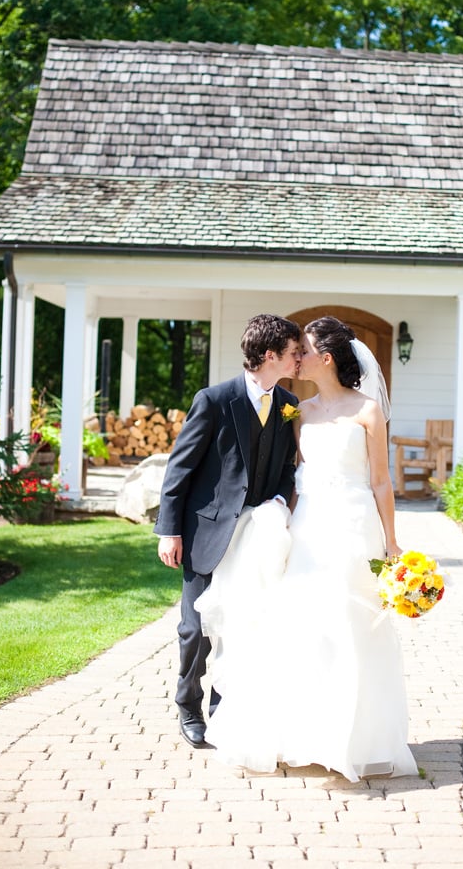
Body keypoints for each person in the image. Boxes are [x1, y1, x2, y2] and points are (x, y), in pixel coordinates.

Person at [196, 315, 418, 781]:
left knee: (349, 624)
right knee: (300, 625)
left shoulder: (367, 411)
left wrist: (392, 542)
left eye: (306, 350)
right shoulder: (299, 410)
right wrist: (281, 523)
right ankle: (301, 735)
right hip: (309, 527)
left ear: (327, 358)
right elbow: (296, 475)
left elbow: (381, 481)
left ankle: (351, 740)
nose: (299, 357)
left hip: (354, 525)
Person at [155, 313, 301, 748]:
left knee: (241, 624)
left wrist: (278, 499)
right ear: (270, 355)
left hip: (257, 535)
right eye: (294, 353)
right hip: (206, 532)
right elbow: (179, 469)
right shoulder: (215, 400)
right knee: (195, 628)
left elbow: (287, 468)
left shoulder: (288, 403)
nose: (300, 359)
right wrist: (169, 530)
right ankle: (188, 705)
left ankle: (225, 708)